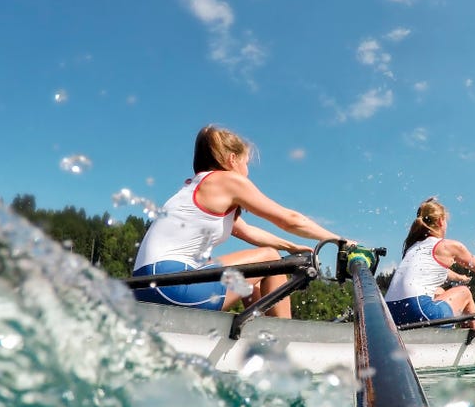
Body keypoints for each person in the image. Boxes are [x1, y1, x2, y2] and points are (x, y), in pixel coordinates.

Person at [132, 125, 351, 318]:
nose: (247, 171)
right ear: (232, 159)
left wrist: (292, 247)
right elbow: (290, 220)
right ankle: (285, 338)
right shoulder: (227, 180)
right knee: (269, 259)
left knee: (254, 271)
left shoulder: (195, 188)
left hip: (143, 286)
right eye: (246, 163)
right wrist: (341, 241)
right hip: (171, 288)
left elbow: (247, 231)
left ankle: (259, 331)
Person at [384, 197, 475, 329]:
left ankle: (463, 331)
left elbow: (440, 271)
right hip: (419, 313)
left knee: (439, 291)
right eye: (446, 221)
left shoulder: (413, 248)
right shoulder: (446, 246)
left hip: (389, 315)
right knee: (465, 292)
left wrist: (460, 277)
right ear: (440, 221)